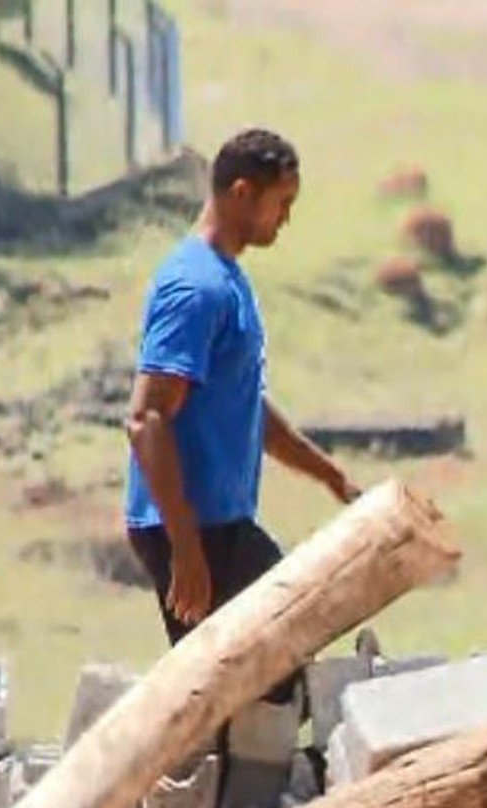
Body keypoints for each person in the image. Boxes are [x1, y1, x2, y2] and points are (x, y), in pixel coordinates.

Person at [123, 128, 359, 703]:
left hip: (224, 524)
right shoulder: (196, 287)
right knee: (235, 695)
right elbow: (146, 420)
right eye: (283, 204)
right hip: (188, 528)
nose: (285, 220)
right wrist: (185, 551)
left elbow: (246, 407)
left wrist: (329, 476)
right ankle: (217, 793)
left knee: (285, 657)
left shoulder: (230, 279)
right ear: (243, 193)